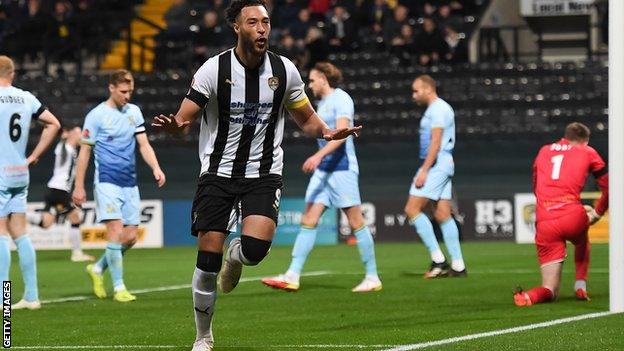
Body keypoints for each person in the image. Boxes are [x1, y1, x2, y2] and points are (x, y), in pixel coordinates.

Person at [151, 1, 361, 350]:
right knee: (206, 261)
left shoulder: (285, 70)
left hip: (263, 173)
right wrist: (174, 127)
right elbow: (183, 119)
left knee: (255, 251)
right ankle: (203, 336)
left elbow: (306, 118)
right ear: (236, 26)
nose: (262, 28)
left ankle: (237, 256)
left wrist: (326, 132)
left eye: (265, 22)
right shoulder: (213, 70)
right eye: (253, 22)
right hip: (217, 172)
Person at [261, 62, 381, 293]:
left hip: (342, 169)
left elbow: (343, 135)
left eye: (313, 80)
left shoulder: (341, 99)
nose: (310, 84)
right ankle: (293, 274)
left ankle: (372, 276)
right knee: (309, 218)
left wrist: (317, 156)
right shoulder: (322, 103)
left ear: (324, 79)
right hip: (324, 172)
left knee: (356, 221)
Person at [72, 69, 166, 303]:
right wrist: (79, 186)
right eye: (123, 91)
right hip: (106, 183)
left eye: (130, 91)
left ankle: (97, 269)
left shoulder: (134, 112)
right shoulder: (96, 116)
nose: (127, 96)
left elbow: (143, 144)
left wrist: (155, 167)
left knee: (131, 237)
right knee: (115, 232)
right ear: (111, 88)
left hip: (130, 183)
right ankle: (119, 287)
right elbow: (84, 153)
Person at [514, 122, 608, 306]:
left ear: (566, 137)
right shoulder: (587, 152)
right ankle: (580, 285)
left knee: (550, 289)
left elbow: (536, 183)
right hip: (572, 215)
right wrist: (596, 213)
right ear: (585, 141)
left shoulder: (544, 150)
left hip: (545, 219)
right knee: (582, 239)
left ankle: (529, 296)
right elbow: (610, 187)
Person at [0, 55, 61, 310]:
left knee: (1, 234)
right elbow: (54, 124)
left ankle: (3, 299)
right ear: (12, 74)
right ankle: (32, 296)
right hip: (19, 172)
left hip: (0, 173)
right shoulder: (26, 97)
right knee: (19, 232)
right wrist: (34, 156)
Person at [403, 74, 466, 279]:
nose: (414, 95)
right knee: (442, 215)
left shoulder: (438, 109)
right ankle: (458, 266)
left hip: (436, 164)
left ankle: (438, 259)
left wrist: (424, 169)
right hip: (443, 163)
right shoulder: (437, 109)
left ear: (428, 89)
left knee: (412, 209)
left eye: (416, 90)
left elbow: (436, 142)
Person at [26, 125, 95, 262]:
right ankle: (77, 254)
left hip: (55, 190)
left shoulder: (73, 150)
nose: (80, 134)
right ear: (69, 135)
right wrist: (64, 138)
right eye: (77, 132)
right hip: (59, 190)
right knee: (75, 217)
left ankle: (17, 214)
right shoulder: (65, 147)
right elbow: (62, 145)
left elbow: (86, 146)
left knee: (46, 223)